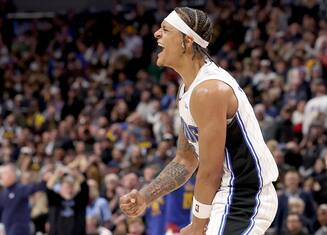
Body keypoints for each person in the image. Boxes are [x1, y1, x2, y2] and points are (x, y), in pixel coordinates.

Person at [120, 7, 279, 235]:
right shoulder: (188, 88)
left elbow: (210, 170)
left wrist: (198, 224)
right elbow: (185, 160)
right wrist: (146, 196)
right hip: (225, 195)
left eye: (165, 29)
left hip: (243, 195)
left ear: (187, 40)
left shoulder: (209, 90)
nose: (156, 33)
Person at [0, 163, 48, 235]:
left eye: (4, 174)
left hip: (20, 230)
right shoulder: (3, 194)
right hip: (8, 230)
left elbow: (35, 188)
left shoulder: (20, 189)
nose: (1, 176)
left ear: (12, 175)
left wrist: (44, 181)